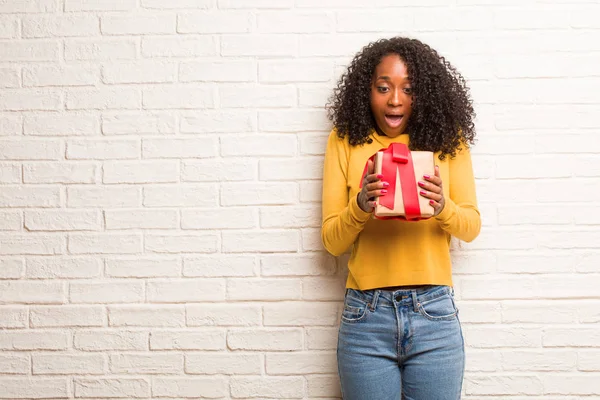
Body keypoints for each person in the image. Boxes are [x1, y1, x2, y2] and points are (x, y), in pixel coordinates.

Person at [321, 37, 481, 400]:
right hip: (365, 317)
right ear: (368, 91)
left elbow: (471, 227)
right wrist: (360, 205)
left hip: (434, 314)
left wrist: (444, 207)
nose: (395, 100)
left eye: (408, 89)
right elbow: (332, 241)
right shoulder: (344, 140)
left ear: (424, 94)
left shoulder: (447, 140)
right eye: (383, 88)